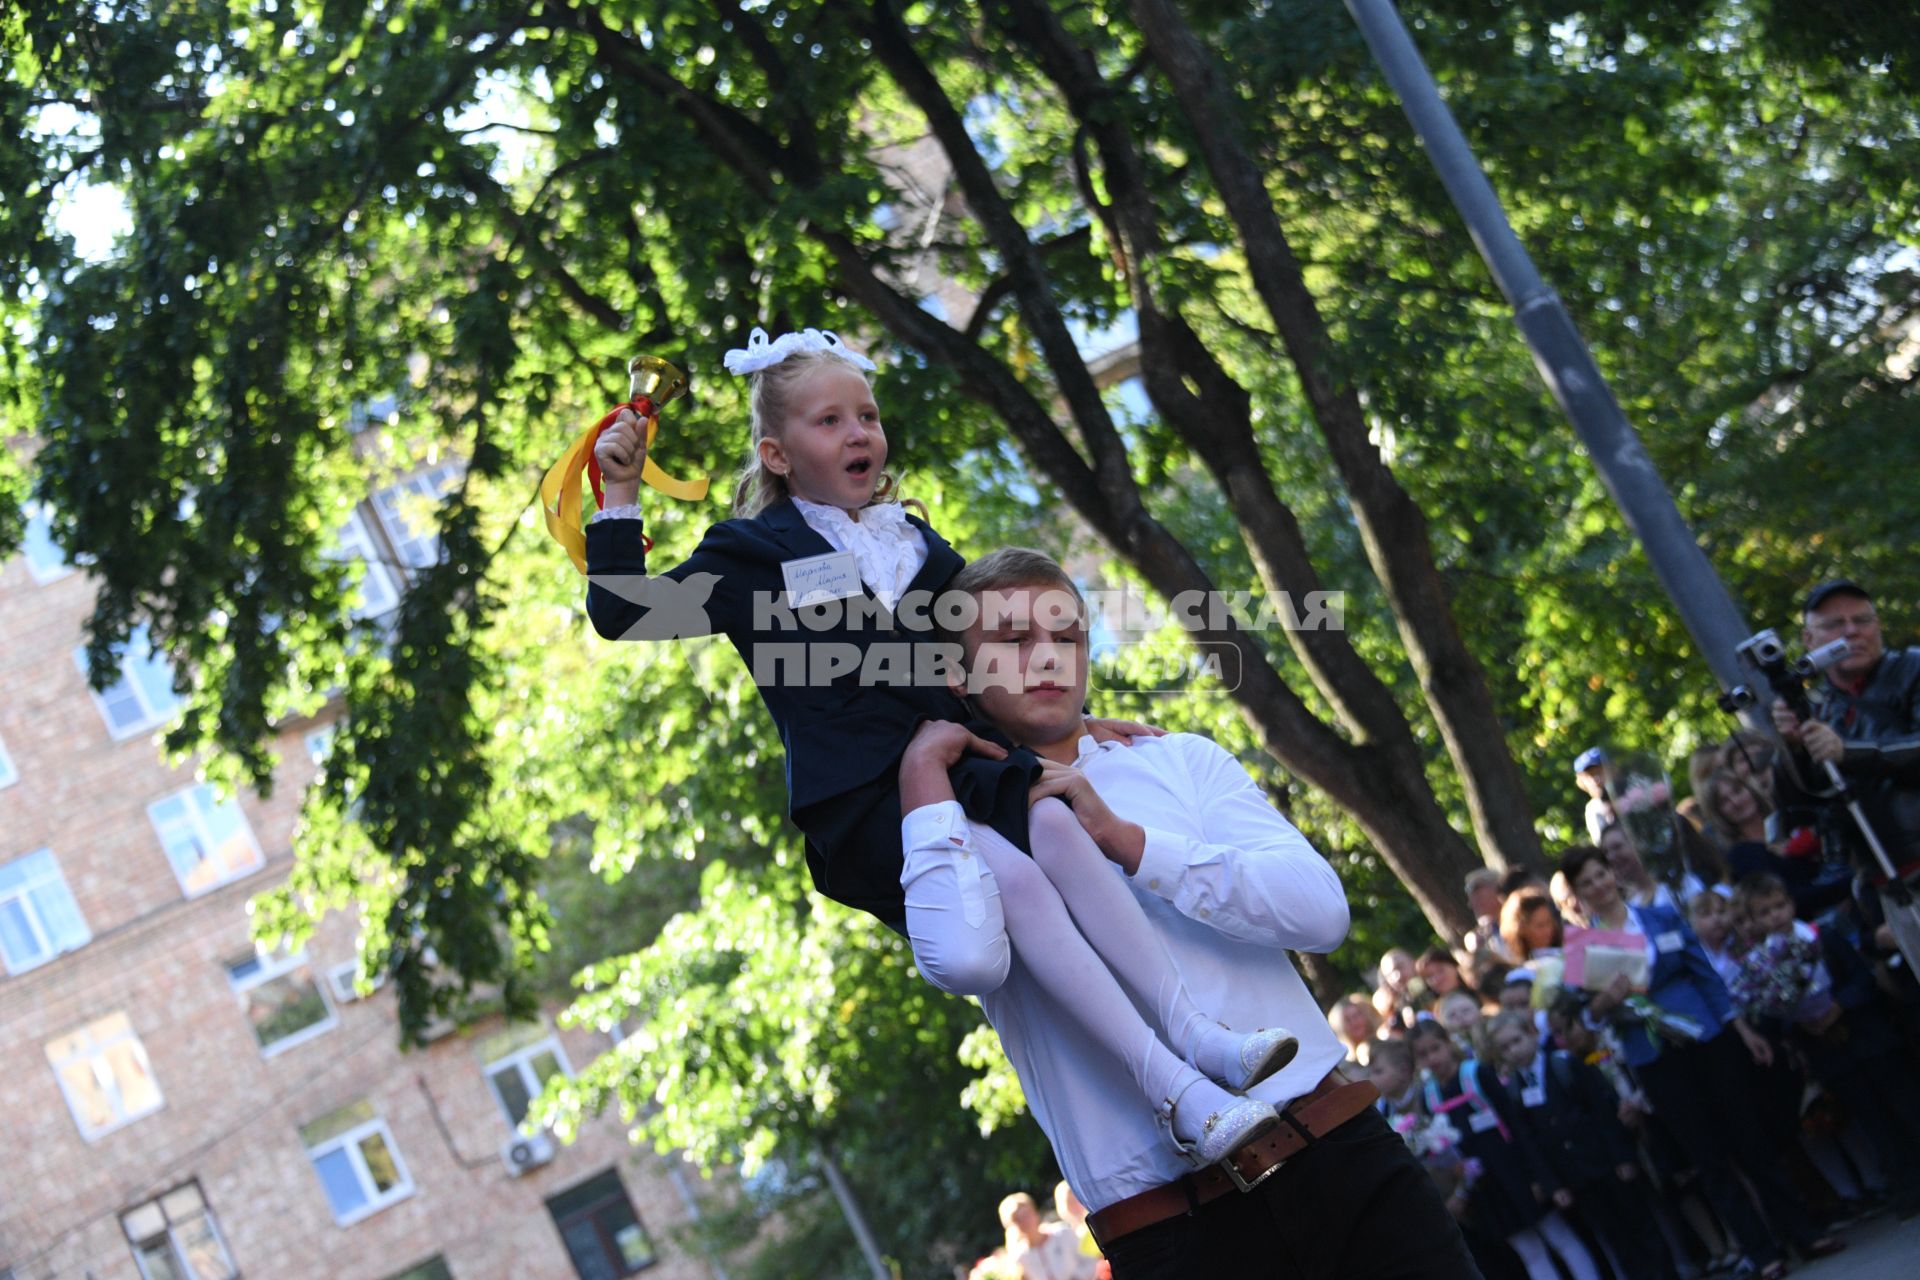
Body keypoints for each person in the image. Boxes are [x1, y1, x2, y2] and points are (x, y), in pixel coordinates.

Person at [587, 330, 1292, 1164]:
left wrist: (1072, 724)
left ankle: (1199, 1035)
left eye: (868, 416)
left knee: (1062, 822)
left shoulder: (919, 549)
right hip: (867, 801)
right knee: (1022, 876)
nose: (859, 434)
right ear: (777, 454)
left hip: (967, 765)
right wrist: (621, 492)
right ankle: (1178, 1098)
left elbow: (992, 659)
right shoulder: (751, 556)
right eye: (829, 422)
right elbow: (624, 613)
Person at [901, 549, 1481, 1279]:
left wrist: (1132, 844)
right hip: (1173, 1233)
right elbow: (961, 961)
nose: (1047, 658)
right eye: (1014, 641)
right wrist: (924, 776)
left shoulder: (1177, 761)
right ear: (958, 672)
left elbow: (1321, 913)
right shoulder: (952, 835)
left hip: (1340, 1156)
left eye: (1067, 637)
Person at [1560, 845, 1844, 1278]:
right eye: (1587, 883)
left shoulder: (1660, 917)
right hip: (1655, 1055)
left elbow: (1703, 973)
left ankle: (1802, 1230)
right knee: (1707, 1155)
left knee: (1749, 1135)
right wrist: (1605, 1001)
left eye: (1601, 874)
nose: (1598, 886)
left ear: (1612, 875)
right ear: (1578, 894)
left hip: (1707, 1038)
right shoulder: (1586, 946)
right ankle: (1762, 1251)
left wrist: (1740, 1029)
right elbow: (1585, 1019)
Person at [1730, 873, 1920, 1218]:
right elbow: (1770, 1014)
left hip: (1865, 1034)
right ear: (1755, 921)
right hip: (1828, 1051)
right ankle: (1906, 1182)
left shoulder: (1822, 935)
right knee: (1872, 1117)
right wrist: (1798, 1019)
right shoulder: (1763, 964)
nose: (1776, 915)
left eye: (1779, 906)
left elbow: (1861, 977)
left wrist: (1839, 1005)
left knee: (1905, 1101)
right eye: (1764, 912)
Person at [1486, 1011, 1677, 1280]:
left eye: (1516, 1041)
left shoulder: (1565, 1064)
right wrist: (1554, 1184)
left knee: (1640, 1225)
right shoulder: (1516, 1089)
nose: (1513, 1051)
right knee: (1613, 1237)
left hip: (1606, 1164)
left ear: (1532, 1034)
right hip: (1576, 1177)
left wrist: (1622, 1157)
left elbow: (1601, 1112)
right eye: (1504, 1048)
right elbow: (1531, 1141)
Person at [1408, 1021, 1596, 1280]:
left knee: (1560, 1237)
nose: (1432, 1058)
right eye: (1423, 1054)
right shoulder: (1430, 1097)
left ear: (1448, 1043)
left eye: (1436, 1048)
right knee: (1531, 1253)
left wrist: (1538, 1176)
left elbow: (1516, 1125)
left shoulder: (1477, 1073)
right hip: (1488, 1187)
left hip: (1518, 1173)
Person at [1772, 579, 1920, 903]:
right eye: (1834, 624)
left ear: (1878, 626)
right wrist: (1793, 747)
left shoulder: (1913, 668)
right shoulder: (1816, 705)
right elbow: (1802, 802)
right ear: (1809, 640)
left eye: (1862, 620)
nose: (1851, 632)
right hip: (1885, 880)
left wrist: (1848, 752)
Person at [1001, 1191, 1094, 1280]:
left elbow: (1090, 1262)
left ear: (1035, 1213)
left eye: (1026, 1215)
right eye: (1018, 1219)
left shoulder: (1063, 1233)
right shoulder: (1020, 1257)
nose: (1025, 1222)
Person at [1498, 890, 1564, 1010]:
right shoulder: (1518, 975)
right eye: (1540, 925)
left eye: (1549, 922)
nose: (1548, 930)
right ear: (1521, 930)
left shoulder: (1567, 951)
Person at [1463, 868, 1514, 963]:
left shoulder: (1522, 920)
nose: (1471, 904)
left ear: (1498, 888)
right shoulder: (1482, 938)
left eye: (1477, 895)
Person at [1573, 748, 1616, 842]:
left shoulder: (1633, 789)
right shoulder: (1593, 809)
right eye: (1588, 777)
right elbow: (1602, 843)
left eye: (1598, 772)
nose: (1595, 780)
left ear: (1612, 769)